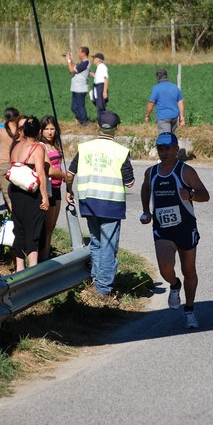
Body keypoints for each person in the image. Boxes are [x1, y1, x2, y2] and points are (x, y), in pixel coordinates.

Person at [140, 132, 210, 329]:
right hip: (162, 229)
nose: (164, 152)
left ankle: (189, 309)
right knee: (165, 268)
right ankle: (174, 285)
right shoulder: (151, 172)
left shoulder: (186, 171)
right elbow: (145, 189)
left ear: (176, 150)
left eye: (168, 148)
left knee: (189, 270)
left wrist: (191, 194)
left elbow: (205, 195)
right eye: (160, 148)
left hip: (185, 228)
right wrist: (146, 211)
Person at [66, 111, 135, 300]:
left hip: (88, 203)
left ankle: (96, 279)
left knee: (96, 242)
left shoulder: (85, 148)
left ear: (98, 125)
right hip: (111, 205)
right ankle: (104, 289)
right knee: (108, 246)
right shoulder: (121, 152)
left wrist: (68, 190)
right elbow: (129, 183)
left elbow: (70, 174)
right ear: (116, 128)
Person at [9, 117, 49, 272]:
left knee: (19, 229)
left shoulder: (16, 146)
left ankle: (19, 268)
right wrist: (45, 196)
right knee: (33, 229)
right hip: (31, 194)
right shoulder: (38, 147)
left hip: (16, 191)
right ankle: (33, 269)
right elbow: (41, 173)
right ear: (39, 131)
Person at [38, 115, 67, 261]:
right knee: (46, 228)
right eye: (46, 129)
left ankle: (46, 257)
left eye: (52, 129)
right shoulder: (41, 146)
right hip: (48, 189)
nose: (49, 132)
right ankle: (42, 259)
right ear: (41, 131)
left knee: (51, 228)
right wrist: (65, 176)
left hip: (57, 188)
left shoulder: (55, 145)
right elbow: (49, 170)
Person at [0, 107, 20, 211]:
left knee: (8, 196)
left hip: (3, 165)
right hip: (17, 165)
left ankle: (13, 218)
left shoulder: (0, 131)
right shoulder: (20, 131)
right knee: (18, 194)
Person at [144, 68, 185, 133]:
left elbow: (151, 103)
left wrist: (147, 116)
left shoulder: (156, 88)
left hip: (163, 118)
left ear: (157, 77)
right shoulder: (174, 87)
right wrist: (182, 116)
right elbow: (181, 101)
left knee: (165, 138)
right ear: (166, 76)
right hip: (174, 117)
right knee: (171, 137)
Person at [66, 46, 91, 125]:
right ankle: (82, 120)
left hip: (80, 88)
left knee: (80, 107)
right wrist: (70, 59)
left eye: (79, 52)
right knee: (74, 108)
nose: (78, 54)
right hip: (76, 88)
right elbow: (74, 67)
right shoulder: (82, 63)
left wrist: (68, 60)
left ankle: (84, 122)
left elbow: (71, 70)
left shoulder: (85, 62)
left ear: (83, 53)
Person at [89, 52, 109, 117]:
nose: (93, 59)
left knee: (100, 105)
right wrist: (93, 75)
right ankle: (101, 119)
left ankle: (103, 120)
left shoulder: (103, 67)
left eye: (94, 58)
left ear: (99, 59)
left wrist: (105, 91)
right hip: (96, 87)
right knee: (97, 103)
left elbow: (106, 78)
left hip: (100, 87)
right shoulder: (99, 67)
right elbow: (99, 78)